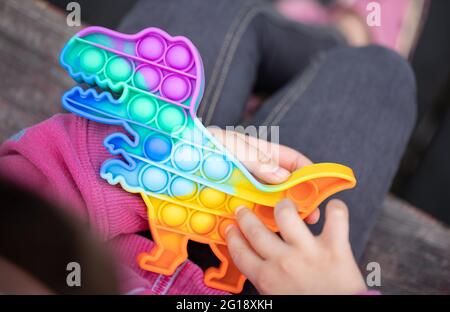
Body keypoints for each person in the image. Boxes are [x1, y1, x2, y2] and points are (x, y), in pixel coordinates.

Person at [0, 0, 416, 294]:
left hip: (123, 222)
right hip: (262, 276)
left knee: (205, 6)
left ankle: (322, 37)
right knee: (379, 73)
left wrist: (166, 159)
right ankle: (348, 34)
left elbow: (21, 204)